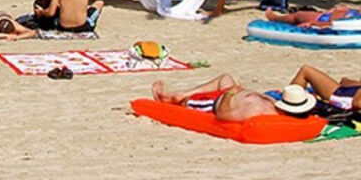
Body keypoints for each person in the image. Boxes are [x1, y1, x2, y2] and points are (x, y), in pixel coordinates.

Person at [150, 74, 314, 121]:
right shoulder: (275, 105)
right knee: (226, 77)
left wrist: (229, 94)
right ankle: (183, 93)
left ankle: (179, 97)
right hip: (232, 94)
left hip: (213, 103)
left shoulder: (257, 111)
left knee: (188, 101)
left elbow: (223, 115)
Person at [288, 65, 360, 112]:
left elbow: (357, 104)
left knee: (305, 71)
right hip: (348, 93)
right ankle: (293, 98)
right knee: (345, 80)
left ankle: (292, 103)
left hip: (341, 97)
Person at [264, 4, 356, 28]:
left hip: (323, 20)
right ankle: (275, 17)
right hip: (329, 18)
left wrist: (312, 23)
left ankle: (274, 18)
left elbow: (333, 24)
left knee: (298, 15)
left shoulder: (343, 13)